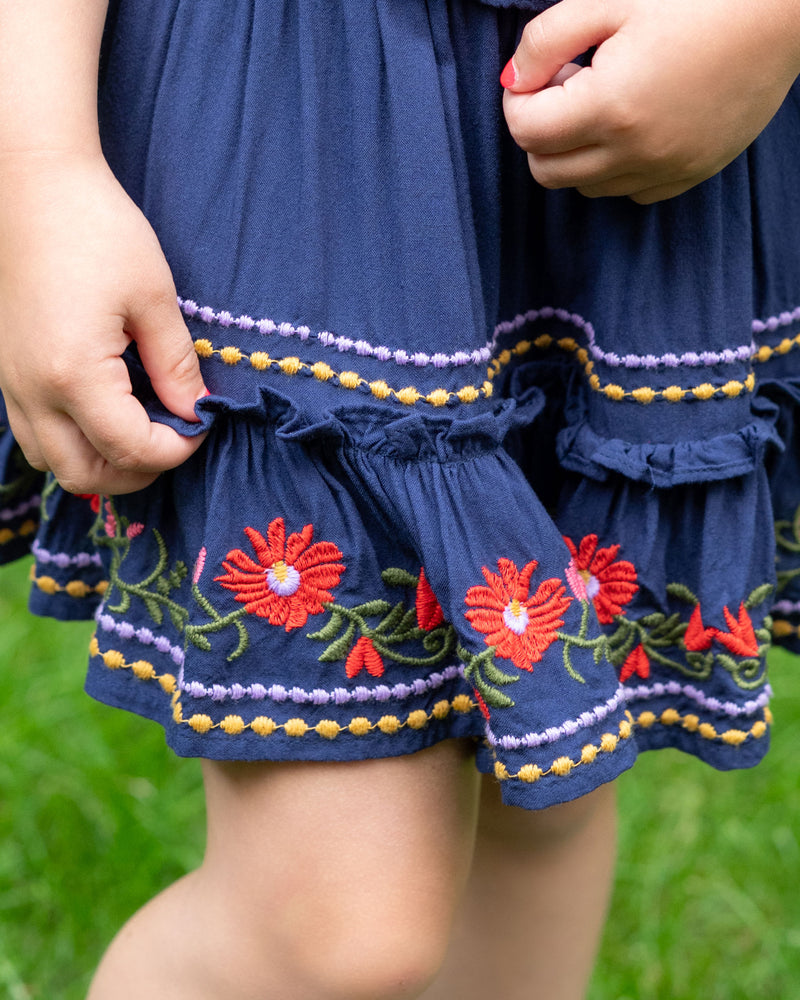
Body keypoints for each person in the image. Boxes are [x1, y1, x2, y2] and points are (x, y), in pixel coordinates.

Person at [1, 0, 799, 997]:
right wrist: (37, 162)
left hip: (640, 83)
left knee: (547, 790)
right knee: (334, 930)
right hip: (304, 115)